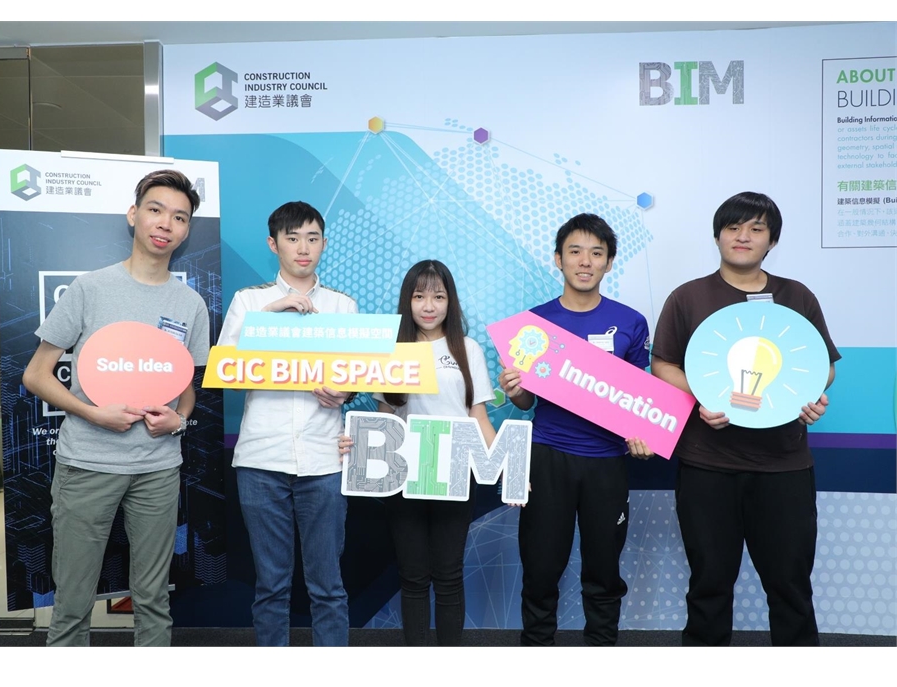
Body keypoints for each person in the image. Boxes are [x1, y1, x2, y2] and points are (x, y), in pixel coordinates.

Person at [22, 170, 209, 647]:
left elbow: (187, 386)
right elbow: (36, 374)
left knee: (153, 598)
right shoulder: (90, 288)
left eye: (180, 217)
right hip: (87, 464)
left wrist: (179, 420)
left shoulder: (190, 304)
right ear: (133, 215)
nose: (166, 223)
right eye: (155, 209)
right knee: (72, 601)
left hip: (158, 469)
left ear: (186, 230)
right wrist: (92, 412)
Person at [651, 191, 839, 647]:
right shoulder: (688, 297)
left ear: (772, 240)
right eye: (733, 227)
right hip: (707, 464)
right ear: (717, 235)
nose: (743, 236)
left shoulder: (797, 296)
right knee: (709, 584)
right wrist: (704, 396)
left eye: (756, 228)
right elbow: (663, 364)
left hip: (784, 465)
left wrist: (811, 396)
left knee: (790, 585)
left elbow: (822, 366)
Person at [498, 213, 653, 647]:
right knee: (541, 567)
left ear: (609, 262)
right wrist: (515, 392)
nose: (585, 261)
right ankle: (537, 650)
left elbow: (642, 398)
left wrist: (643, 435)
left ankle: (601, 649)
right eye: (575, 251)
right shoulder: (532, 324)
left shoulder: (630, 322)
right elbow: (527, 403)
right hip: (548, 456)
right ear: (558, 259)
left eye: (596, 253)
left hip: (608, 461)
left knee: (603, 569)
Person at [216, 201, 356, 647]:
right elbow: (225, 371)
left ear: (324, 244)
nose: (303, 248)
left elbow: (360, 373)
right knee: (271, 585)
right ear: (273, 244)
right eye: (292, 238)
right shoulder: (249, 301)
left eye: (312, 238)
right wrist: (269, 315)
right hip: (262, 458)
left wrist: (346, 393)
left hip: (325, 459)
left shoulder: (342, 306)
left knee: (328, 585)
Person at [340, 260, 497, 646]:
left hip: (455, 471)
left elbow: (478, 416)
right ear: (407, 301)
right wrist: (359, 446)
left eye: (438, 297)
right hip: (404, 473)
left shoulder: (468, 349)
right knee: (412, 577)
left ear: (450, 302)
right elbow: (385, 416)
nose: (429, 306)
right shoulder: (393, 351)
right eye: (419, 296)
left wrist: (509, 467)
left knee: (448, 575)